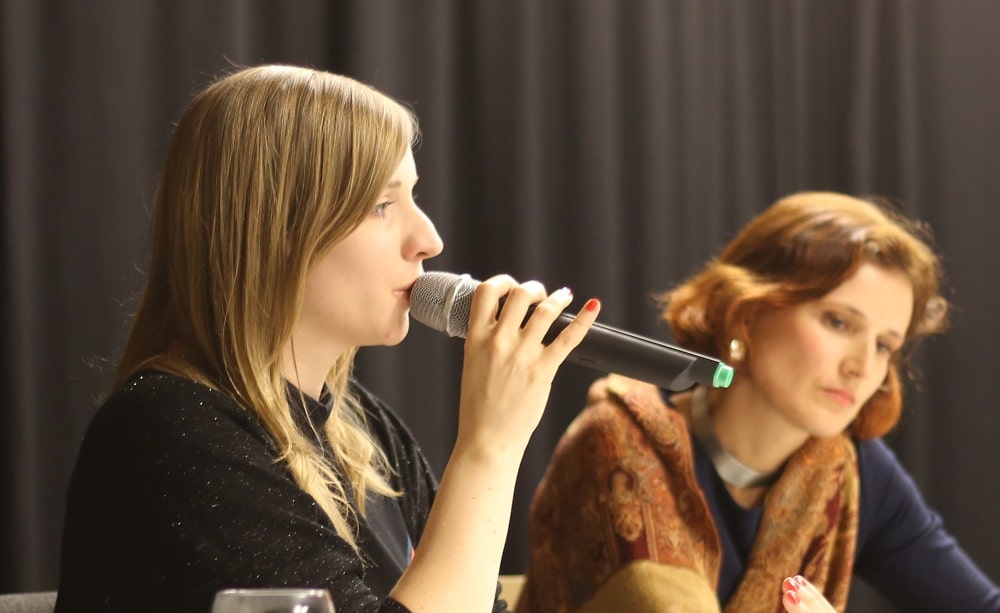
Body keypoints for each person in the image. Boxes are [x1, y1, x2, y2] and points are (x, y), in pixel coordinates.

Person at [54, 64, 601, 613]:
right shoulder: (172, 433)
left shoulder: (367, 432)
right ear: (276, 231)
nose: (429, 240)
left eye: (413, 196)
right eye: (383, 206)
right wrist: (489, 448)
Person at [517, 192, 1000, 612]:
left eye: (884, 345)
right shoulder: (621, 445)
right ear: (747, 315)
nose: (863, 366)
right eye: (838, 322)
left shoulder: (851, 472)